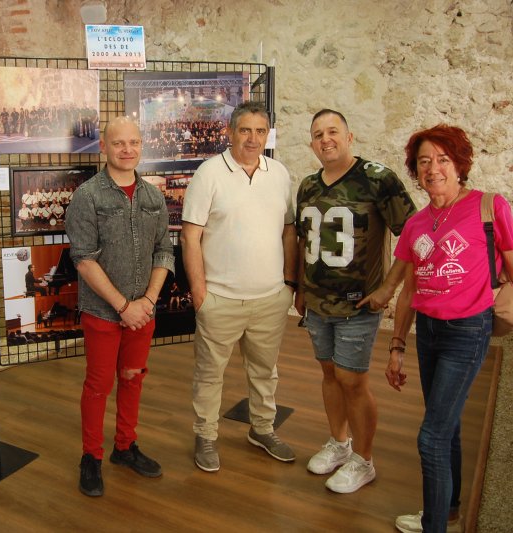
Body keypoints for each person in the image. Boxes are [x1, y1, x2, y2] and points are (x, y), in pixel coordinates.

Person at [359, 125, 513, 533]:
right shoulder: (416, 224)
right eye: (424, 161)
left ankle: (434, 525)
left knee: (431, 438)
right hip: (428, 332)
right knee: (448, 426)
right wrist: (396, 346)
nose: (433, 169)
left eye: (443, 159)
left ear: (459, 165)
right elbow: (409, 289)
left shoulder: (489, 207)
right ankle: (448, 512)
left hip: (468, 330)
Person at [295, 109, 417, 493]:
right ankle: (339, 443)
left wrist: (388, 289)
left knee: (352, 380)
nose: (325, 139)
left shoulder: (378, 179)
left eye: (333, 131)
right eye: (318, 134)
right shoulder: (308, 186)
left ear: (349, 137)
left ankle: (364, 461)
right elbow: (304, 241)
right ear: (312, 144)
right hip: (318, 304)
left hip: (358, 305)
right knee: (330, 374)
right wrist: (300, 288)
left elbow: (413, 236)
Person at [181, 101, 298, 471]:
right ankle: (206, 435)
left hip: (270, 298)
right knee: (209, 374)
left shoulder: (279, 174)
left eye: (260, 131)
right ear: (229, 132)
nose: (252, 138)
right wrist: (200, 294)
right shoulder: (209, 174)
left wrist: (289, 284)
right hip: (220, 298)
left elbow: (289, 231)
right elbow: (190, 237)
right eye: (245, 130)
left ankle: (262, 429)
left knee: (265, 371)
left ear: (267, 134)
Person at [65, 116, 174, 497]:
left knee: (132, 377)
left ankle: (125, 446)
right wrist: (123, 306)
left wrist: (147, 301)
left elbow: (164, 250)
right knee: (98, 385)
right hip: (103, 312)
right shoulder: (88, 196)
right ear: (104, 147)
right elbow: (83, 259)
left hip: (143, 312)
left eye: (134, 142)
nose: (127, 149)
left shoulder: (153, 197)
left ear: (142, 145)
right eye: (118, 143)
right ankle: (91, 457)